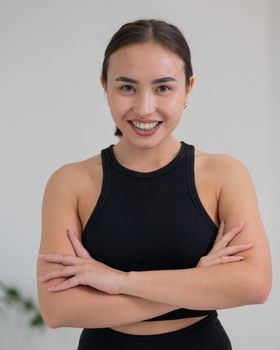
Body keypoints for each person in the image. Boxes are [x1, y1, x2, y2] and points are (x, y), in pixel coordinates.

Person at [37, 18, 272, 349]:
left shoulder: (224, 174)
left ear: (188, 88)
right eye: (127, 87)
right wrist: (199, 283)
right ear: (104, 85)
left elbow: (253, 286)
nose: (144, 108)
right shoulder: (70, 183)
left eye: (163, 87)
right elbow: (58, 309)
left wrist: (120, 281)